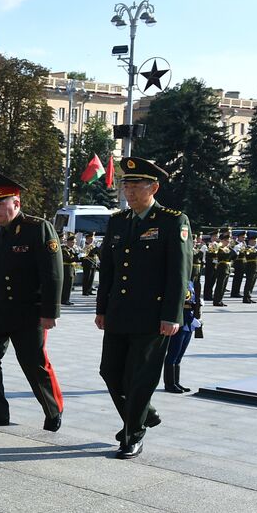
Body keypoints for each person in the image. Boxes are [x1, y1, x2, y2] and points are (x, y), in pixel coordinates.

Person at [95, 157, 190, 459]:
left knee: (140, 377)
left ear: (154, 187)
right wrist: (101, 309)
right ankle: (144, 413)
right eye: (126, 185)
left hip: (153, 316)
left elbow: (179, 272)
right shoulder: (118, 221)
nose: (129, 191)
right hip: (119, 312)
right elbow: (107, 269)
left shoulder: (172, 221)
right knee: (110, 371)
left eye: (136, 185)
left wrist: (172, 315)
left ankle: (132, 433)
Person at [0, 172, 64, 431]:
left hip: (28, 312)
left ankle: (53, 410)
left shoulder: (36, 228)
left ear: (16, 204)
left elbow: (52, 274)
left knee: (34, 365)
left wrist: (49, 312)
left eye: (1, 204)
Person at [163, 280, 201, 393]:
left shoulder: (191, 282)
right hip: (180, 321)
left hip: (188, 323)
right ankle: (169, 384)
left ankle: (176, 382)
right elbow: (178, 304)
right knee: (173, 354)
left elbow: (192, 301)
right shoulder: (178, 282)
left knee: (179, 356)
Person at [211, 232, 233, 307]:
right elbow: (225, 257)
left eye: (229, 241)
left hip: (227, 268)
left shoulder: (227, 248)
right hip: (222, 268)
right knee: (220, 285)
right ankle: (216, 301)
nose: (228, 242)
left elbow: (232, 257)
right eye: (227, 241)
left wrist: (234, 251)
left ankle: (220, 300)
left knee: (224, 286)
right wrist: (233, 251)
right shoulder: (220, 249)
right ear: (222, 241)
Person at [239, 234, 257, 304]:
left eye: (256, 241)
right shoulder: (247, 248)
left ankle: (249, 296)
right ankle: (246, 297)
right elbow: (252, 256)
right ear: (250, 241)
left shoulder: (255, 248)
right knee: (249, 283)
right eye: (254, 241)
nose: (255, 242)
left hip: (256, 267)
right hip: (250, 267)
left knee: (252, 283)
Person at [59, 233, 80, 307]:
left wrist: (80, 257)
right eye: (72, 242)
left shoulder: (72, 249)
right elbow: (68, 260)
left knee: (69, 285)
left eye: (74, 242)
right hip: (66, 269)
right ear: (68, 242)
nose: (73, 244)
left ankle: (67, 299)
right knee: (66, 285)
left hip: (71, 268)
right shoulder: (64, 249)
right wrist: (77, 257)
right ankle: (64, 300)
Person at [81, 231, 99, 296]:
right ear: (87, 239)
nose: (91, 240)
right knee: (87, 277)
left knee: (91, 277)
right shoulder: (84, 245)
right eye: (90, 239)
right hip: (87, 263)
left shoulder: (92, 245)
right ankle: (85, 291)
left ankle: (89, 290)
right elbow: (86, 254)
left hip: (93, 263)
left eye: (92, 239)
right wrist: (93, 250)